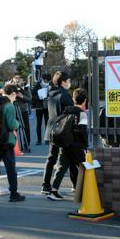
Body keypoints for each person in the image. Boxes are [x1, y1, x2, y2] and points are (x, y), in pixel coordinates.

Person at [42, 71, 75, 200]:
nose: (69, 83)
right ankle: (66, 187)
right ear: (63, 82)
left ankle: (46, 185)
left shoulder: (51, 94)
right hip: (63, 131)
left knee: (51, 159)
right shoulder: (65, 96)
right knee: (67, 159)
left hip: (51, 129)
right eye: (68, 81)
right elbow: (71, 115)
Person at [12, 75, 32, 153]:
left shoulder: (26, 87)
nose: (17, 80)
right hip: (13, 110)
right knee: (14, 128)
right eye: (15, 78)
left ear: (21, 79)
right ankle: (14, 146)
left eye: (18, 79)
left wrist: (22, 96)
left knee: (26, 128)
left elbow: (29, 99)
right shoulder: (10, 86)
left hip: (23, 110)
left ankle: (26, 145)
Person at [32, 73, 51, 145]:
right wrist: (39, 97)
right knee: (39, 123)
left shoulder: (51, 85)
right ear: (43, 79)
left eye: (47, 81)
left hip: (48, 107)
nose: (46, 82)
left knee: (47, 124)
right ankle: (39, 140)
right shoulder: (37, 85)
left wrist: (50, 97)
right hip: (39, 106)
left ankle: (47, 139)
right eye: (45, 81)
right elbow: (33, 96)